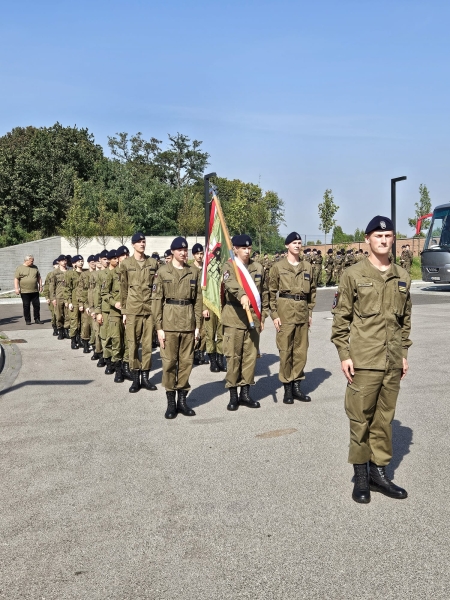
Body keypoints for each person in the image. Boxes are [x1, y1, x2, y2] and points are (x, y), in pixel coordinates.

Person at [331, 215, 411, 504]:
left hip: (391, 362)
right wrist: (344, 355)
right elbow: (341, 319)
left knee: (383, 420)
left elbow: (405, 320)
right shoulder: (353, 274)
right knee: (360, 420)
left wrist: (403, 354)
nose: (384, 240)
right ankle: (361, 477)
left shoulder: (402, 276)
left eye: (389, 236)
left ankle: (379, 474)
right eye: (378, 236)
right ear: (367, 239)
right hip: (363, 361)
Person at [153, 236, 202, 419]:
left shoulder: (193, 272)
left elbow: (198, 301)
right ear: (172, 251)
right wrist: (159, 327)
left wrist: (198, 326)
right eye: (180, 250)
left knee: (186, 362)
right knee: (169, 363)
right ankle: (171, 403)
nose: (183, 253)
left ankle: (182, 400)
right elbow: (157, 300)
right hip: (169, 323)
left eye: (185, 250)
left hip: (188, 322)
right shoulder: (163, 272)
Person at [221, 234, 269, 411]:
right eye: (243, 248)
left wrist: (263, 317)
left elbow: (265, 293)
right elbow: (230, 283)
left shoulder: (258, 267)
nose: (247, 251)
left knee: (250, 357)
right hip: (234, 316)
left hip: (253, 318)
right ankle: (233, 395)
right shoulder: (229, 265)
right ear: (235, 249)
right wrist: (242, 295)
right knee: (234, 357)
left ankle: (245, 394)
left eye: (249, 248)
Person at [269, 232, 316, 404]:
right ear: (287, 245)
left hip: (302, 313)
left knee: (301, 352)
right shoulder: (278, 267)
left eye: (299, 242)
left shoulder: (307, 267)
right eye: (294, 242)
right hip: (285, 313)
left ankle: (297, 386)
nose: (297, 245)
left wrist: (310, 312)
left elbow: (312, 291)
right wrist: (274, 315)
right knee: (285, 351)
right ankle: (287, 388)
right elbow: (271, 292)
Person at [120, 232, 159, 393]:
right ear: (133, 245)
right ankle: (135, 378)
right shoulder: (126, 264)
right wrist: (124, 311)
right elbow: (123, 289)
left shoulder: (153, 263)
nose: (142, 244)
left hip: (149, 309)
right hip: (133, 309)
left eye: (144, 241)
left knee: (148, 344)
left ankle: (145, 377)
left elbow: (157, 288)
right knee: (133, 343)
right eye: (139, 242)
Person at [191, 243, 209, 366]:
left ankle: (201, 351)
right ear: (193, 255)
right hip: (193, 304)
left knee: (204, 330)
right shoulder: (190, 269)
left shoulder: (206, 269)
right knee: (194, 329)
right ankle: (194, 351)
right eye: (197, 254)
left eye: (201, 253)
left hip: (205, 302)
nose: (200, 256)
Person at [94, 249, 112, 368]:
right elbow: (97, 294)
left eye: (108, 259)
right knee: (103, 335)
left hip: (117, 310)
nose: (107, 261)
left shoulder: (118, 272)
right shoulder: (100, 275)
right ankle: (106, 359)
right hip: (105, 310)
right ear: (100, 260)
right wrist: (98, 311)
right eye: (104, 259)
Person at [14, 255, 43, 325]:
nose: (32, 262)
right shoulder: (20, 268)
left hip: (35, 290)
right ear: (26, 261)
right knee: (26, 306)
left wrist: (40, 286)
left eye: (33, 261)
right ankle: (28, 320)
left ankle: (37, 319)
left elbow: (39, 277)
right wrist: (16, 288)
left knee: (36, 305)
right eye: (31, 261)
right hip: (25, 291)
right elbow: (16, 279)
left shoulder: (35, 267)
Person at [64, 254, 84, 349]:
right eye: (79, 261)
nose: (81, 262)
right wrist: (69, 301)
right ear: (74, 263)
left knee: (82, 321)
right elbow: (67, 288)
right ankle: (73, 340)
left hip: (83, 300)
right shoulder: (69, 274)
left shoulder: (85, 273)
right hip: (74, 300)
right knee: (74, 321)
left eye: (82, 261)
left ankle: (80, 339)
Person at [50, 255, 70, 339]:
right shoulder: (54, 273)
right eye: (62, 261)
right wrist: (53, 298)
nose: (64, 262)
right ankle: (60, 330)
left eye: (65, 260)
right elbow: (52, 286)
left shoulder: (69, 271)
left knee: (68, 315)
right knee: (58, 315)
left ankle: (66, 330)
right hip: (59, 296)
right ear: (58, 262)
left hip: (68, 297)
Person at [43, 259, 60, 335]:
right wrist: (47, 297)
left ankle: (62, 328)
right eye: (56, 265)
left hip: (61, 297)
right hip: (52, 297)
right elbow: (46, 286)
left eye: (58, 264)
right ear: (53, 265)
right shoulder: (50, 274)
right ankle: (55, 328)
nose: (58, 266)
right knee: (54, 314)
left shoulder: (64, 273)